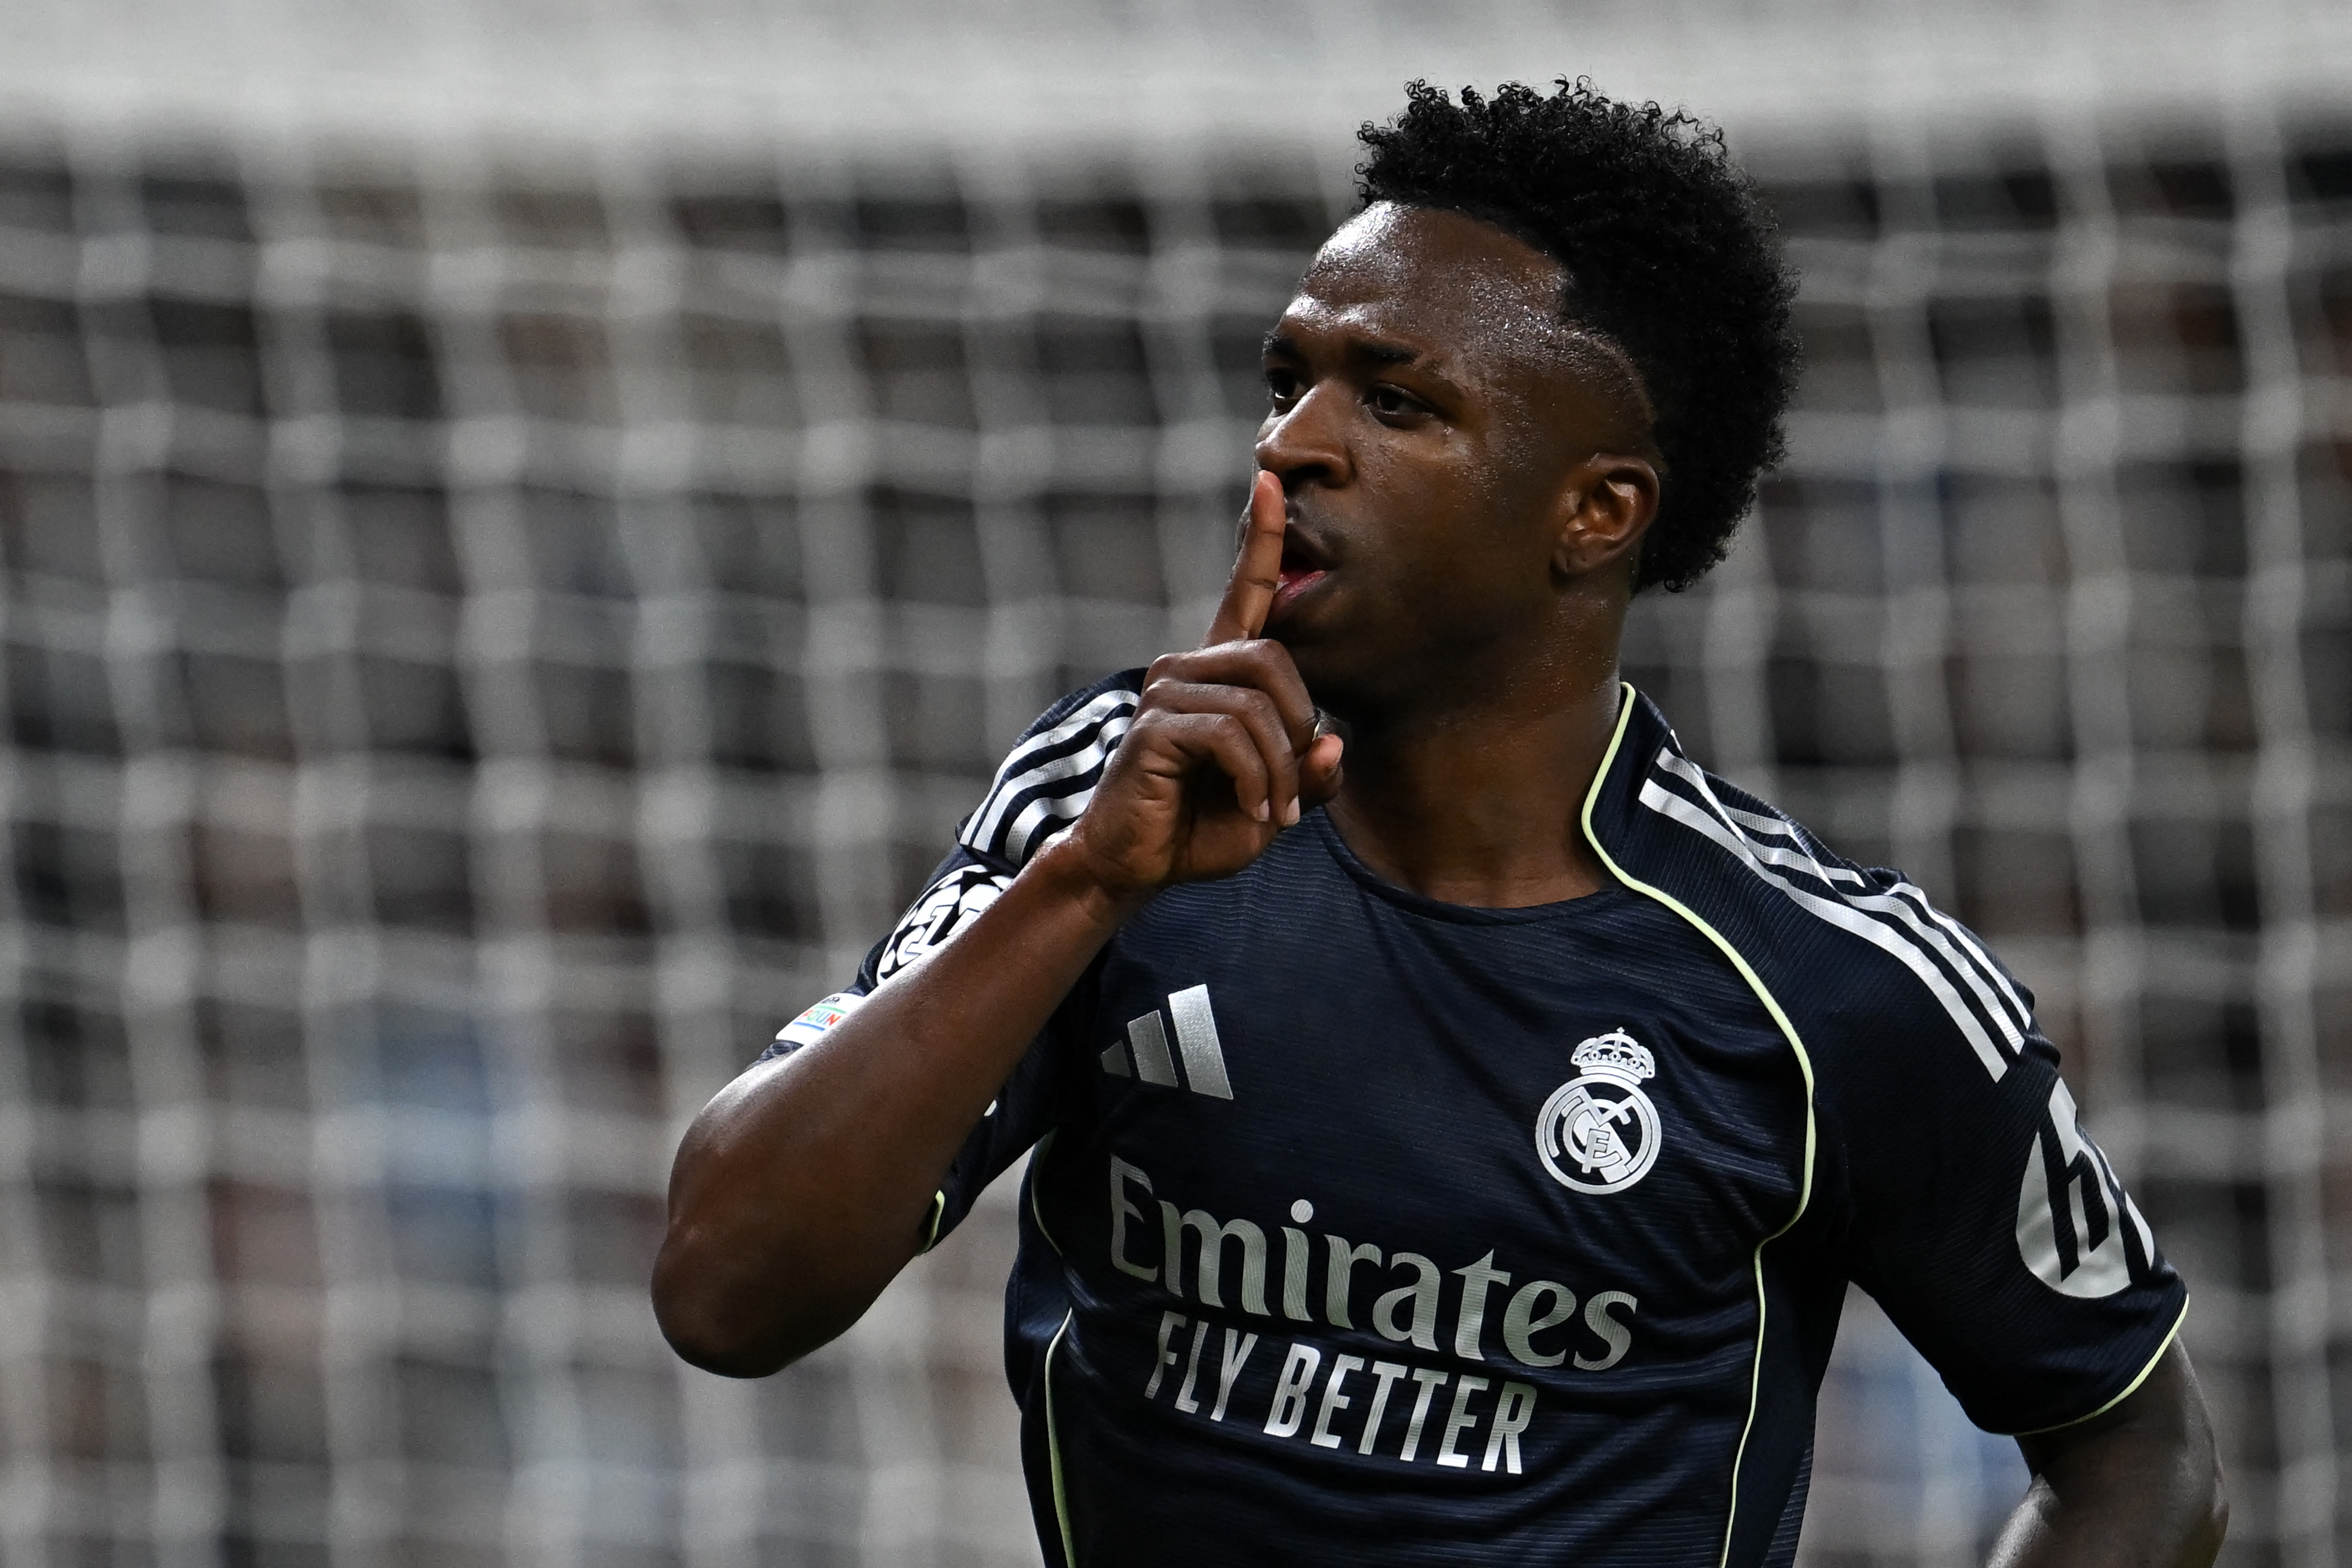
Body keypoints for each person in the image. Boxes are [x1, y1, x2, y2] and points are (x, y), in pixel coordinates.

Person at [652, 80, 2227, 1567]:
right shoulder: (1106, 804)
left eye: (1397, 404)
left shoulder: (1829, 983)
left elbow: (2140, 1458)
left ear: (1594, 513)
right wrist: (1085, 887)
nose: (1291, 447)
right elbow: (725, 1291)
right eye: (1288, 383)